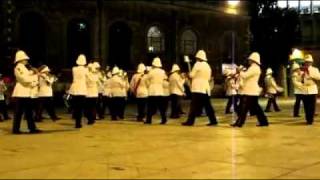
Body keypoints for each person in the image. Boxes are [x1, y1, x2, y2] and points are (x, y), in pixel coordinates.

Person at [181, 50, 218, 126]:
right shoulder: (207, 66)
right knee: (208, 106)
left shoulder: (197, 64)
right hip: (205, 88)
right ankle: (213, 120)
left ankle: (190, 121)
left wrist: (188, 74)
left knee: (194, 105)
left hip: (198, 87)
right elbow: (208, 77)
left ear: (198, 57)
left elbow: (192, 75)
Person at [231, 52, 268, 127]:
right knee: (256, 108)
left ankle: (240, 123)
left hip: (249, 91)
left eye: (250, 60)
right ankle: (263, 122)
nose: (248, 61)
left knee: (244, 108)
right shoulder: (254, 68)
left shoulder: (254, 68)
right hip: (252, 91)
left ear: (253, 60)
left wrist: (240, 70)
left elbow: (245, 76)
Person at [12, 50, 41, 134]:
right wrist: (35, 76)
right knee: (19, 112)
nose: (26, 60)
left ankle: (32, 128)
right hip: (21, 93)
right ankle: (16, 129)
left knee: (28, 112)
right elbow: (24, 79)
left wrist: (33, 72)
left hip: (25, 93)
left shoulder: (24, 67)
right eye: (25, 59)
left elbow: (27, 75)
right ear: (20, 59)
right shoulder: (18, 67)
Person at [144, 57, 168, 124]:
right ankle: (164, 119)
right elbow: (165, 78)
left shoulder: (151, 71)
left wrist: (149, 85)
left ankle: (149, 120)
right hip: (160, 90)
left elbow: (146, 79)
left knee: (150, 107)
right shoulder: (162, 72)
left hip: (152, 90)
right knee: (161, 107)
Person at [69, 54, 88, 128]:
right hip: (82, 89)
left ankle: (77, 123)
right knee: (80, 108)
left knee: (76, 107)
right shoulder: (86, 70)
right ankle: (78, 123)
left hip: (74, 89)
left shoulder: (74, 68)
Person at [300, 54, 320, 125]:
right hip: (304, 90)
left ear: (311, 62)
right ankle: (307, 119)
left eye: (309, 62)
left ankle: (310, 120)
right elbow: (299, 80)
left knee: (312, 106)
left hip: (312, 89)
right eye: (306, 62)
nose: (307, 63)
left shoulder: (315, 69)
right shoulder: (301, 70)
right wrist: (301, 76)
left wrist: (311, 76)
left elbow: (318, 77)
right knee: (306, 106)